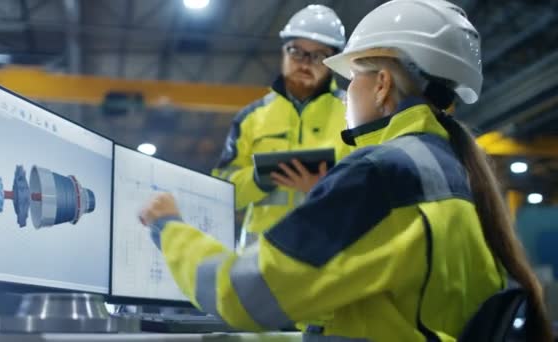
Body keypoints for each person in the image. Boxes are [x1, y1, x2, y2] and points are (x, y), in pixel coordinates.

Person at [140, 0, 553, 340]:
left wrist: (169, 227)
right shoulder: (454, 170)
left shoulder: (381, 174)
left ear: (381, 84)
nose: (345, 93)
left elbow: (243, 295)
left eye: (352, 75)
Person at [212, 4, 351, 245]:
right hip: (258, 257)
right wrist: (257, 179)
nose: (305, 63)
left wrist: (325, 189)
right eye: (296, 51)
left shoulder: (353, 114)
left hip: (328, 254)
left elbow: (373, 185)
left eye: (318, 55)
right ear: (283, 53)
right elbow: (220, 191)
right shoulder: (251, 117)